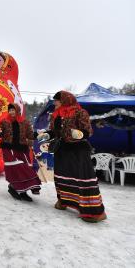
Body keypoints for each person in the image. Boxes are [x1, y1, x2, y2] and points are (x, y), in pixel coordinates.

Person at [37, 91, 106, 222]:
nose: (55, 102)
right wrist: (46, 135)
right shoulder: (55, 115)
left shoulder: (80, 112)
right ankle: (63, 202)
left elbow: (88, 131)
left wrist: (80, 133)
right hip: (62, 150)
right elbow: (54, 132)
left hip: (78, 150)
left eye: (57, 100)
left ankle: (95, 212)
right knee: (62, 177)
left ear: (64, 100)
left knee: (82, 179)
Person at [0, 104, 41, 201]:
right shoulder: (4, 121)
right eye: (10, 110)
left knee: (26, 168)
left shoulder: (25, 122)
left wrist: (39, 134)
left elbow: (30, 135)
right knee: (18, 168)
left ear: (17, 110)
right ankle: (12, 187)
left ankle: (23, 191)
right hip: (8, 148)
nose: (11, 112)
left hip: (21, 148)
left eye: (13, 110)